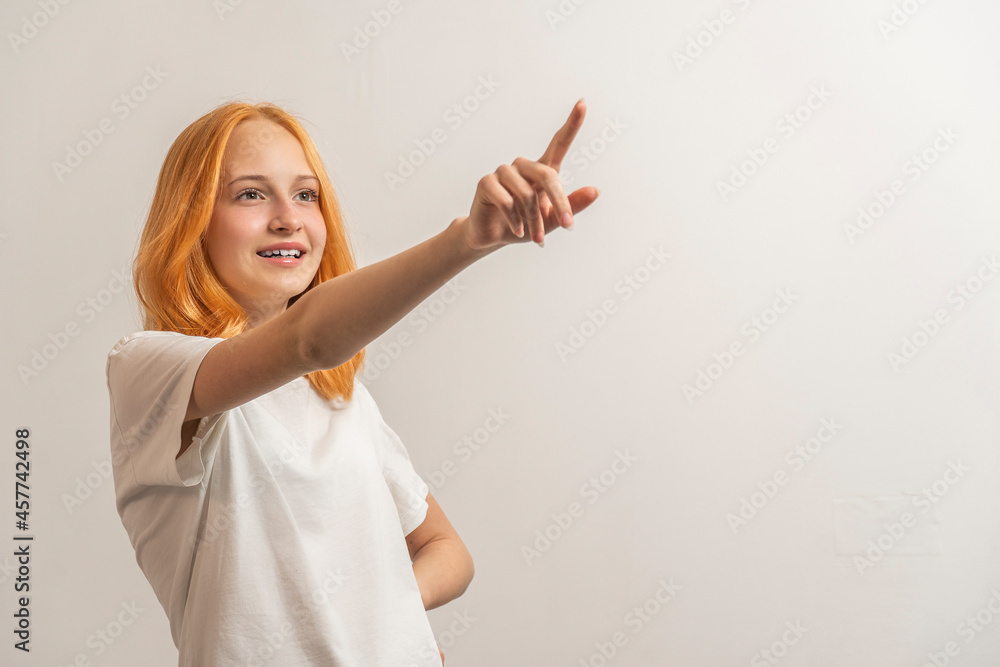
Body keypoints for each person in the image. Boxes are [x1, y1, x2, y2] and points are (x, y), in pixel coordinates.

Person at [105, 97, 599, 666]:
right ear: (191, 221)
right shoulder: (148, 370)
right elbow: (308, 338)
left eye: (306, 194)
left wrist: (382, 623)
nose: (288, 216)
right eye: (250, 193)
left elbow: (447, 551)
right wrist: (463, 240)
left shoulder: (339, 398)